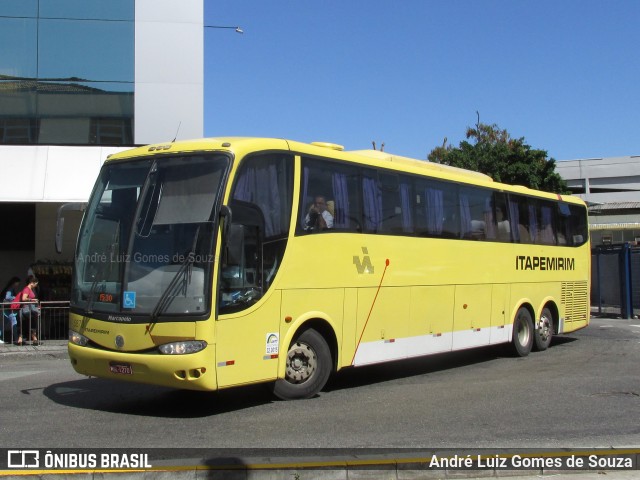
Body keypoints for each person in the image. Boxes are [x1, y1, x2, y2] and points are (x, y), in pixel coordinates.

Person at [17, 275, 41, 345]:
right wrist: (32, 300)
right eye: (36, 284)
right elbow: (24, 298)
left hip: (26, 310)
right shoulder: (27, 289)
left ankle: (20, 340)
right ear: (32, 282)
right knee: (32, 323)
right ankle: (34, 338)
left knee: (24, 325)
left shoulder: (29, 289)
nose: (36, 285)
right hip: (27, 310)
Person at [1, 277, 21, 345]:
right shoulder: (10, 289)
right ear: (15, 282)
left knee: (4, 324)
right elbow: (7, 297)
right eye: (18, 282)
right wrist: (15, 297)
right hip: (8, 309)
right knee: (14, 323)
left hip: (7, 309)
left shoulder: (9, 288)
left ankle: (16, 339)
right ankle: (16, 339)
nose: (18, 284)